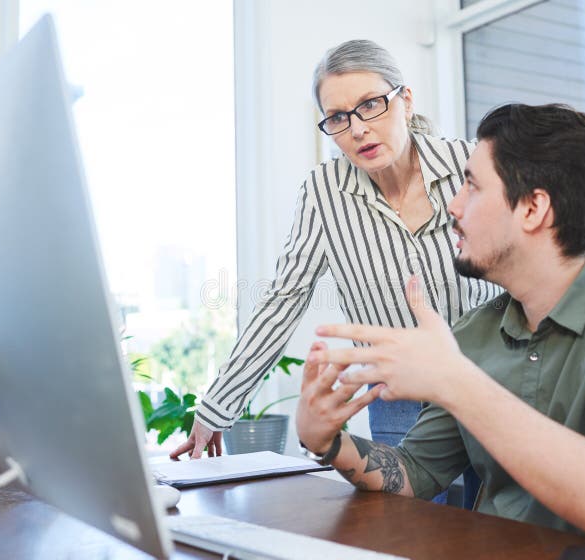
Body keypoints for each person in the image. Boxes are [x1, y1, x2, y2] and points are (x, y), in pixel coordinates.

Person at [295, 103, 585, 551]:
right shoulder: (476, 330)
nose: (452, 207)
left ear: (533, 208)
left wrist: (454, 381)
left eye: (472, 187)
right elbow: (415, 472)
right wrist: (328, 441)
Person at [171, 40, 498, 505]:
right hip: (396, 393)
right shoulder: (324, 192)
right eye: (339, 117)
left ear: (405, 100)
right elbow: (283, 300)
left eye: (371, 105)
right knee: (411, 534)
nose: (358, 129)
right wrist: (215, 410)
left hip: (488, 379)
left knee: (499, 530)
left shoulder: (468, 163)